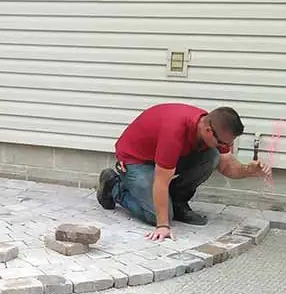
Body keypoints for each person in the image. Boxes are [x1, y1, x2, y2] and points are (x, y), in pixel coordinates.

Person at [95, 103, 271, 241]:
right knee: (156, 215)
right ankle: (114, 186)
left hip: (162, 157)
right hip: (136, 159)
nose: (225, 146)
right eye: (222, 143)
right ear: (209, 131)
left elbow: (226, 167)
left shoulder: (213, 128)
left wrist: (250, 170)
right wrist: (162, 225)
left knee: (212, 156)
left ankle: (177, 203)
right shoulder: (175, 131)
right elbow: (161, 181)